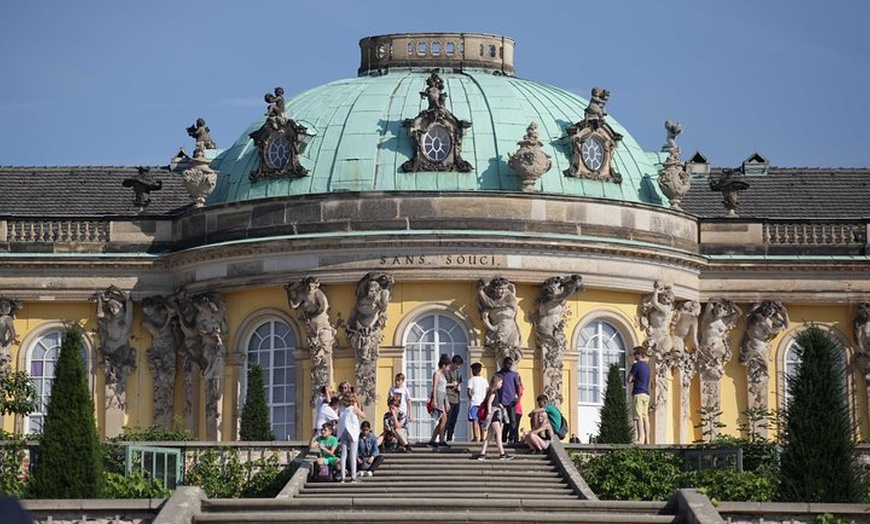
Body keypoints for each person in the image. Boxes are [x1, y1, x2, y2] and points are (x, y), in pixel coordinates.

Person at [477, 374, 513, 461]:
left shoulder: (490, 391)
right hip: (494, 414)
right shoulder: (494, 391)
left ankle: (482, 454)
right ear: (497, 382)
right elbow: (489, 402)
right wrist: (489, 413)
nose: (501, 384)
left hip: (493, 413)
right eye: (501, 382)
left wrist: (499, 405)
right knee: (498, 434)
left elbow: (491, 402)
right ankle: (502, 454)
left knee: (489, 436)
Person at [337, 392, 367, 482]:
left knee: (343, 455)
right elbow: (363, 416)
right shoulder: (353, 407)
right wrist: (358, 405)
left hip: (343, 431)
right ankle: (353, 476)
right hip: (352, 431)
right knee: (353, 454)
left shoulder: (341, 407)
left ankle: (342, 477)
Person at [627, 346, 651, 445]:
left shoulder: (636, 365)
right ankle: (647, 439)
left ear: (638, 354)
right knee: (646, 417)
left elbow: (629, 379)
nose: (634, 356)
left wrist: (633, 379)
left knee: (638, 416)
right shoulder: (647, 367)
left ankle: (640, 438)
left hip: (638, 393)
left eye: (635, 354)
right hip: (646, 394)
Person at [427, 354, 451, 448]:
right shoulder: (436, 374)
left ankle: (433, 441)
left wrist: (446, 402)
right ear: (444, 365)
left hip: (443, 397)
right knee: (443, 419)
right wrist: (434, 400)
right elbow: (435, 387)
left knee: (443, 420)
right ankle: (441, 441)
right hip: (438, 397)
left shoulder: (443, 375)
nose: (449, 369)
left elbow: (443, 388)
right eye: (448, 366)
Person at [497, 357, 523, 443]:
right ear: (503, 364)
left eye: (510, 364)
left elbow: (518, 388)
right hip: (501, 402)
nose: (509, 366)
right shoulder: (498, 374)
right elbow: (495, 388)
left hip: (512, 401)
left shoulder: (514, 375)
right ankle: (501, 438)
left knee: (512, 421)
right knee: (501, 421)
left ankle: (511, 437)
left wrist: (518, 399)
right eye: (507, 363)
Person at [466, 362, 488, 442]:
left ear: (474, 370)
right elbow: (487, 390)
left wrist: (471, 397)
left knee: (474, 420)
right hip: (482, 403)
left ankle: (475, 437)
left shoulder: (471, 380)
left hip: (474, 402)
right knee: (482, 421)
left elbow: (469, 391)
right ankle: (483, 437)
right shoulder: (484, 380)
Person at [444, 354, 464, 441]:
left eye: (459, 365)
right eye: (457, 365)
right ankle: (442, 437)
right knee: (447, 420)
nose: (458, 367)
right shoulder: (446, 372)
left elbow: (459, 383)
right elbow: (441, 384)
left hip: (456, 399)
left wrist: (459, 387)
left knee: (453, 421)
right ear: (453, 363)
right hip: (448, 398)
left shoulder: (458, 373)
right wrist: (451, 384)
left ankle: (449, 438)